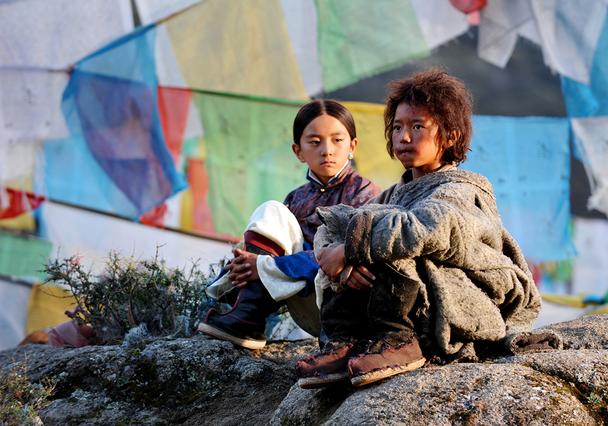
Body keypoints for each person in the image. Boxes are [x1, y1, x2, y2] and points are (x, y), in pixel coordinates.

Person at [295, 69, 542, 389]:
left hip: (457, 301)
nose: (403, 137)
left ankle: (400, 341)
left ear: (450, 135)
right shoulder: (393, 195)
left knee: (395, 243)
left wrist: (352, 248)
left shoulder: (462, 190)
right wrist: (336, 258)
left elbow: (428, 227)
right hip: (411, 297)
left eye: (417, 127)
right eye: (397, 127)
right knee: (364, 235)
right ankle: (344, 343)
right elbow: (336, 223)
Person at [197, 100, 380, 350]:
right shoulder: (295, 199)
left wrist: (264, 266)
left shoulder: (366, 194)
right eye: (315, 142)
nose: (327, 150)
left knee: (272, 220)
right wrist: (243, 267)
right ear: (298, 151)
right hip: (306, 304)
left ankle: (247, 317)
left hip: (343, 309)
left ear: (353, 146)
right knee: (272, 211)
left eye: (337, 140)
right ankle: (247, 318)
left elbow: (340, 257)